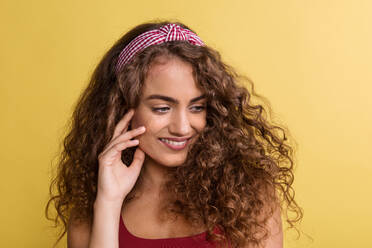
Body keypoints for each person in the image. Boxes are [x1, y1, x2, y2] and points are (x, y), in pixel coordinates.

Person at [45, 20, 303, 248]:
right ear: (122, 108)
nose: (182, 127)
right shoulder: (91, 206)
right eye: (162, 108)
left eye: (196, 107)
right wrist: (109, 201)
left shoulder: (249, 193)